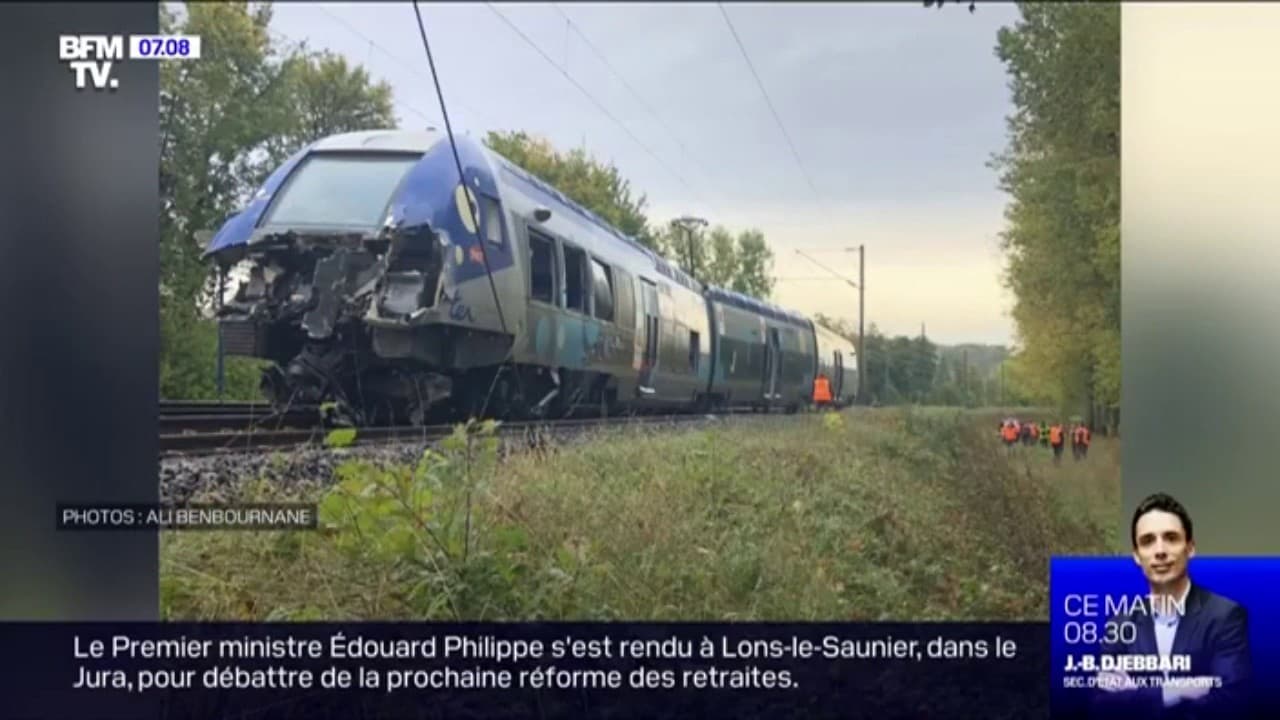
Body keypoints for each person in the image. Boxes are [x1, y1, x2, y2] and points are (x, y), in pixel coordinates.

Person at [1090, 493, 1252, 719]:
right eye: (1147, 541)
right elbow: (1102, 708)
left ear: (1190, 548)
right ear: (1137, 556)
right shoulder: (1119, 625)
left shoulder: (1226, 616)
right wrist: (1174, 691)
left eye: (1171, 538)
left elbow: (1229, 704)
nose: (1160, 551)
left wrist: (1135, 698)